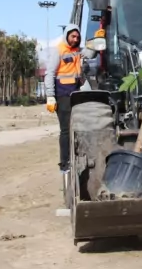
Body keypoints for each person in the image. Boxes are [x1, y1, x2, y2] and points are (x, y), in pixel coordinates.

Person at [44, 24, 104, 173]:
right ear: (67, 36)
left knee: (78, 128)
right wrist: (50, 96)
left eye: (77, 37)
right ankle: (65, 164)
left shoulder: (77, 50)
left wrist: (98, 39)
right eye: (73, 36)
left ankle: (78, 155)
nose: (75, 39)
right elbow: (49, 74)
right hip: (62, 95)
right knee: (66, 130)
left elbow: (89, 54)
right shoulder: (58, 51)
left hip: (76, 94)